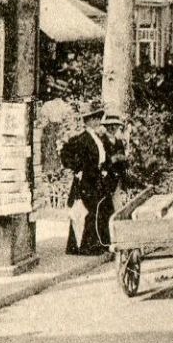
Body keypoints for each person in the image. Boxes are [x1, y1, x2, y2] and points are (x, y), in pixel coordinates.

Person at [61, 106, 122, 255]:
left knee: (101, 209)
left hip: (97, 178)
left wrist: (108, 164)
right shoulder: (82, 138)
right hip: (86, 180)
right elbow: (65, 153)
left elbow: (102, 158)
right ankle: (85, 246)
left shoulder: (98, 138)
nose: (97, 121)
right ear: (87, 121)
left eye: (97, 118)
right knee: (88, 211)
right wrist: (77, 169)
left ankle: (99, 243)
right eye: (93, 119)